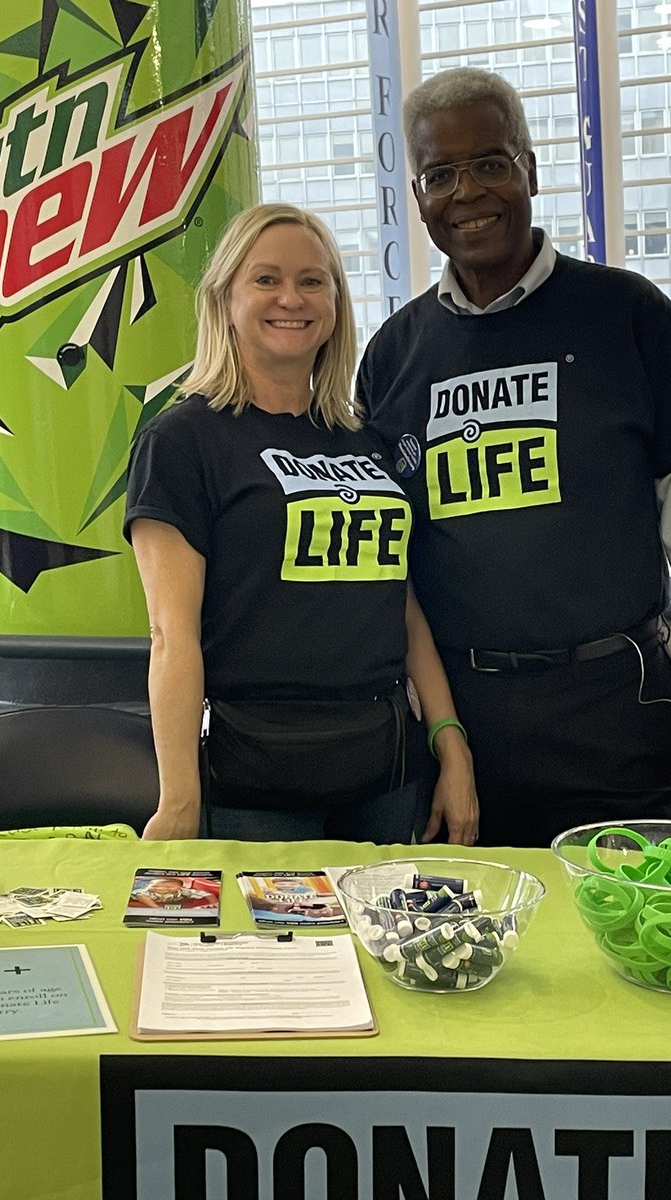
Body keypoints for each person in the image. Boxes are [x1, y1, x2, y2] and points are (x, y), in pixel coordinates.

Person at [357, 68, 671, 848]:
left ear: (531, 171)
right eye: (439, 175)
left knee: (634, 941)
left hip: (615, 714)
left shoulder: (629, 315)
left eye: (490, 163)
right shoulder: (393, 356)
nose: (467, 192)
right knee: (466, 953)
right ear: (417, 198)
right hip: (459, 738)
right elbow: (393, 566)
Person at [125, 203, 477, 844]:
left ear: (336, 303)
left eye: (314, 281)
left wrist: (451, 744)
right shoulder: (181, 441)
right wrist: (179, 798)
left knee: (385, 947)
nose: (292, 297)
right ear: (225, 299)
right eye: (266, 279)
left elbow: (400, 605)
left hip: (388, 774)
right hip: (254, 782)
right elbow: (170, 636)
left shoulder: (363, 440)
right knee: (266, 950)